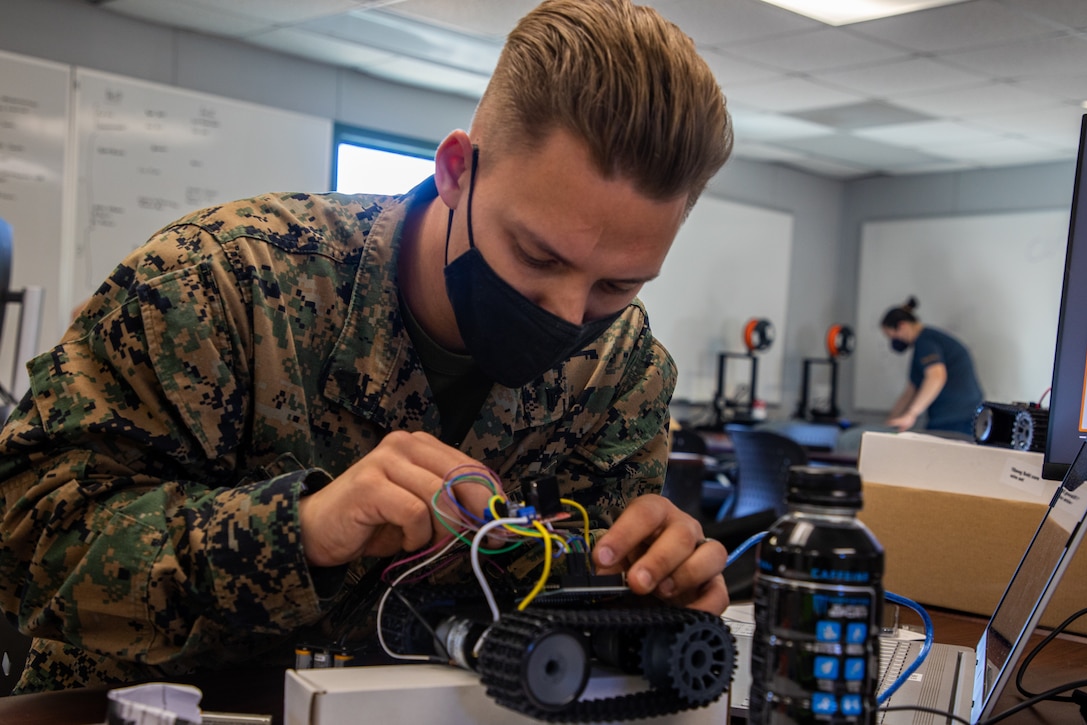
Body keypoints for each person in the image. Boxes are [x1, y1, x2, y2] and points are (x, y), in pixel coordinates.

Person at [0, 0, 734, 693]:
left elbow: (574, 623)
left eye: (618, 285)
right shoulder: (221, 282)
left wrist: (653, 594)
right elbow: (24, 540)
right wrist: (299, 531)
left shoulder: (623, 374)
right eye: (537, 257)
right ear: (455, 172)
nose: (571, 316)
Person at [881, 296, 984, 435]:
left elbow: (936, 376)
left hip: (956, 418)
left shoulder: (925, 342)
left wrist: (911, 414)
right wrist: (890, 423)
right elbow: (911, 391)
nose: (893, 342)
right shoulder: (923, 345)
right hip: (954, 416)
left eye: (892, 336)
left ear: (902, 326)